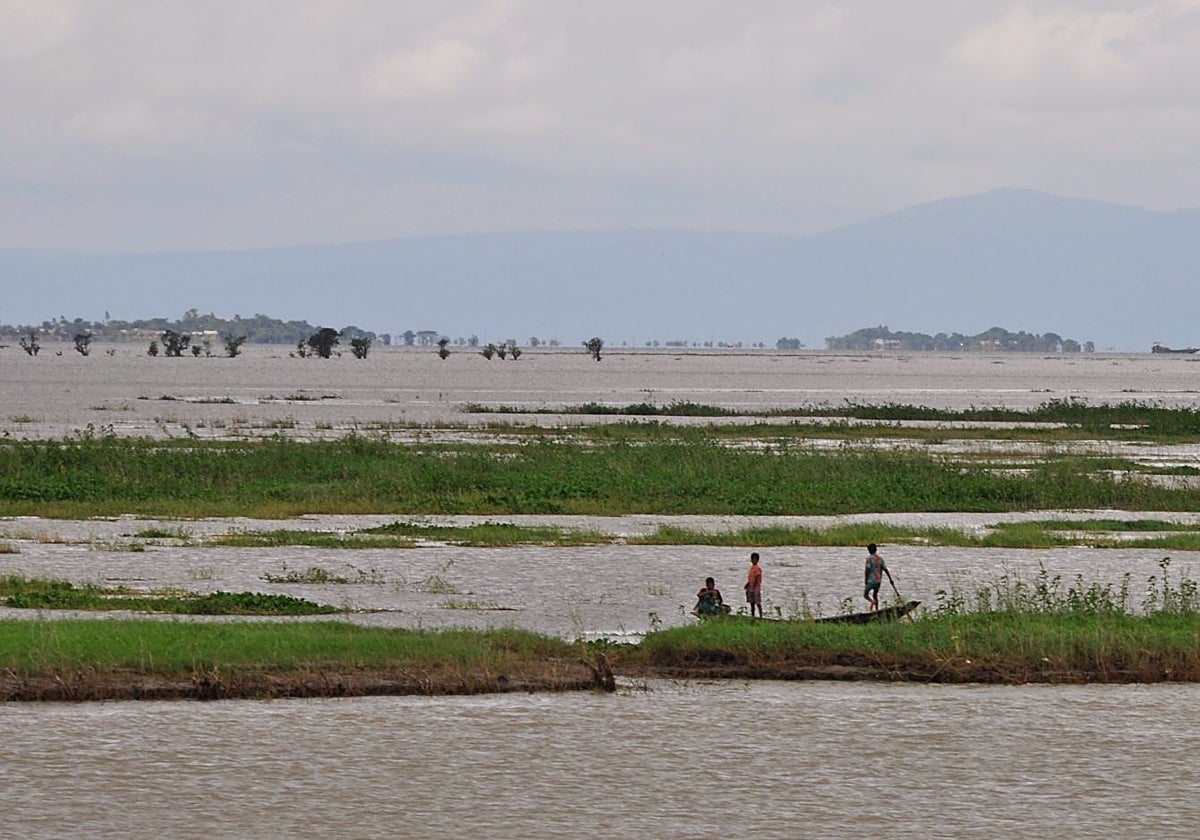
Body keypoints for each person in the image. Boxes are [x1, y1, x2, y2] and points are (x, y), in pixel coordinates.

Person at [863, 543, 894, 611]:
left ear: (869, 551)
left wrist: (866, 579)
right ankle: (877, 609)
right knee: (875, 595)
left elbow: (867, 569)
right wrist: (890, 579)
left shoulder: (869, 558)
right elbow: (885, 569)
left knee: (865, 594)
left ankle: (872, 602)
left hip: (871, 580)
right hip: (878, 580)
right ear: (876, 550)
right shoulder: (880, 559)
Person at [744, 552, 763, 618]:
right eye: (752, 559)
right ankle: (752, 615)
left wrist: (753, 585)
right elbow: (751, 578)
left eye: (754, 559)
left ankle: (761, 616)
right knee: (752, 603)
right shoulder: (752, 568)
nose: (753, 560)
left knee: (758, 603)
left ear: (757, 560)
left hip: (756, 588)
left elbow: (757, 578)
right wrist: (748, 584)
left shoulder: (757, 568)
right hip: (751, 587)